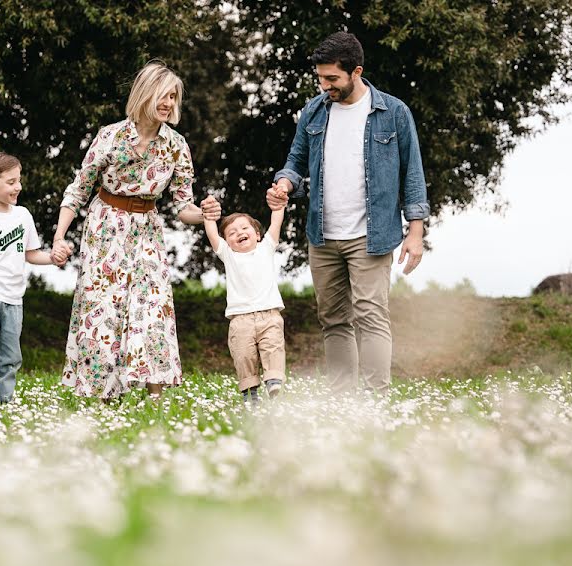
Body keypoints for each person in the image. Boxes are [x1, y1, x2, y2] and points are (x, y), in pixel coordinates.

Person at [266, 32, 429, 396]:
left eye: (332, 79)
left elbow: (412, 174)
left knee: (371, 316)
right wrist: (285, 184)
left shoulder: (394, 113)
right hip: (322, 234)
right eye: (321, 79)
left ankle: (375, 399)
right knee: (334, 320)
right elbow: (295, 160)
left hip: (371, 236)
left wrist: (415, 233)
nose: (325, 86)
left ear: (356, 71)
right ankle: (342, 401)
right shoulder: (314, 110)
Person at [50, 61, 220, 400]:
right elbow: (79, 190)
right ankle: (103, 394)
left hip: (148, 231)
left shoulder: (176, 145)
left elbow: (183, 205)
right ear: (145, 93)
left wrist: (203, 214)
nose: (168, 103)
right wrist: (59, 237)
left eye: (173, 97)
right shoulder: (110, 136)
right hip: (105, 228)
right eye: (163, 95)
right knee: (102, 309)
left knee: (151, 307)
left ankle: (154, 397)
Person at [0, 152, 68, 403]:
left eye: (18, 180)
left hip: (14, 298)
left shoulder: (23, 216)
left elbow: (31, 254)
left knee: (10, 357)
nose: (18, 186)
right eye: (11, 182)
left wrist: (53, 258)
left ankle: (3, 403)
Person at [202, 199, 286, 402]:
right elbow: (213, 235)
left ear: (257, 234)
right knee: (243, 356)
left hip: (270, 316)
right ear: (227, 242)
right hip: (241, 321)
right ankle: (250, 393)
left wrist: (278, 207)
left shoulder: (266, 247)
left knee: (273, 348)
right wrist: (208, 216)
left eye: (244, 228)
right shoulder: (229, 256)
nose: (239, 233)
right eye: (231, 233)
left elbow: (276, 224)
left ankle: (274, 381)